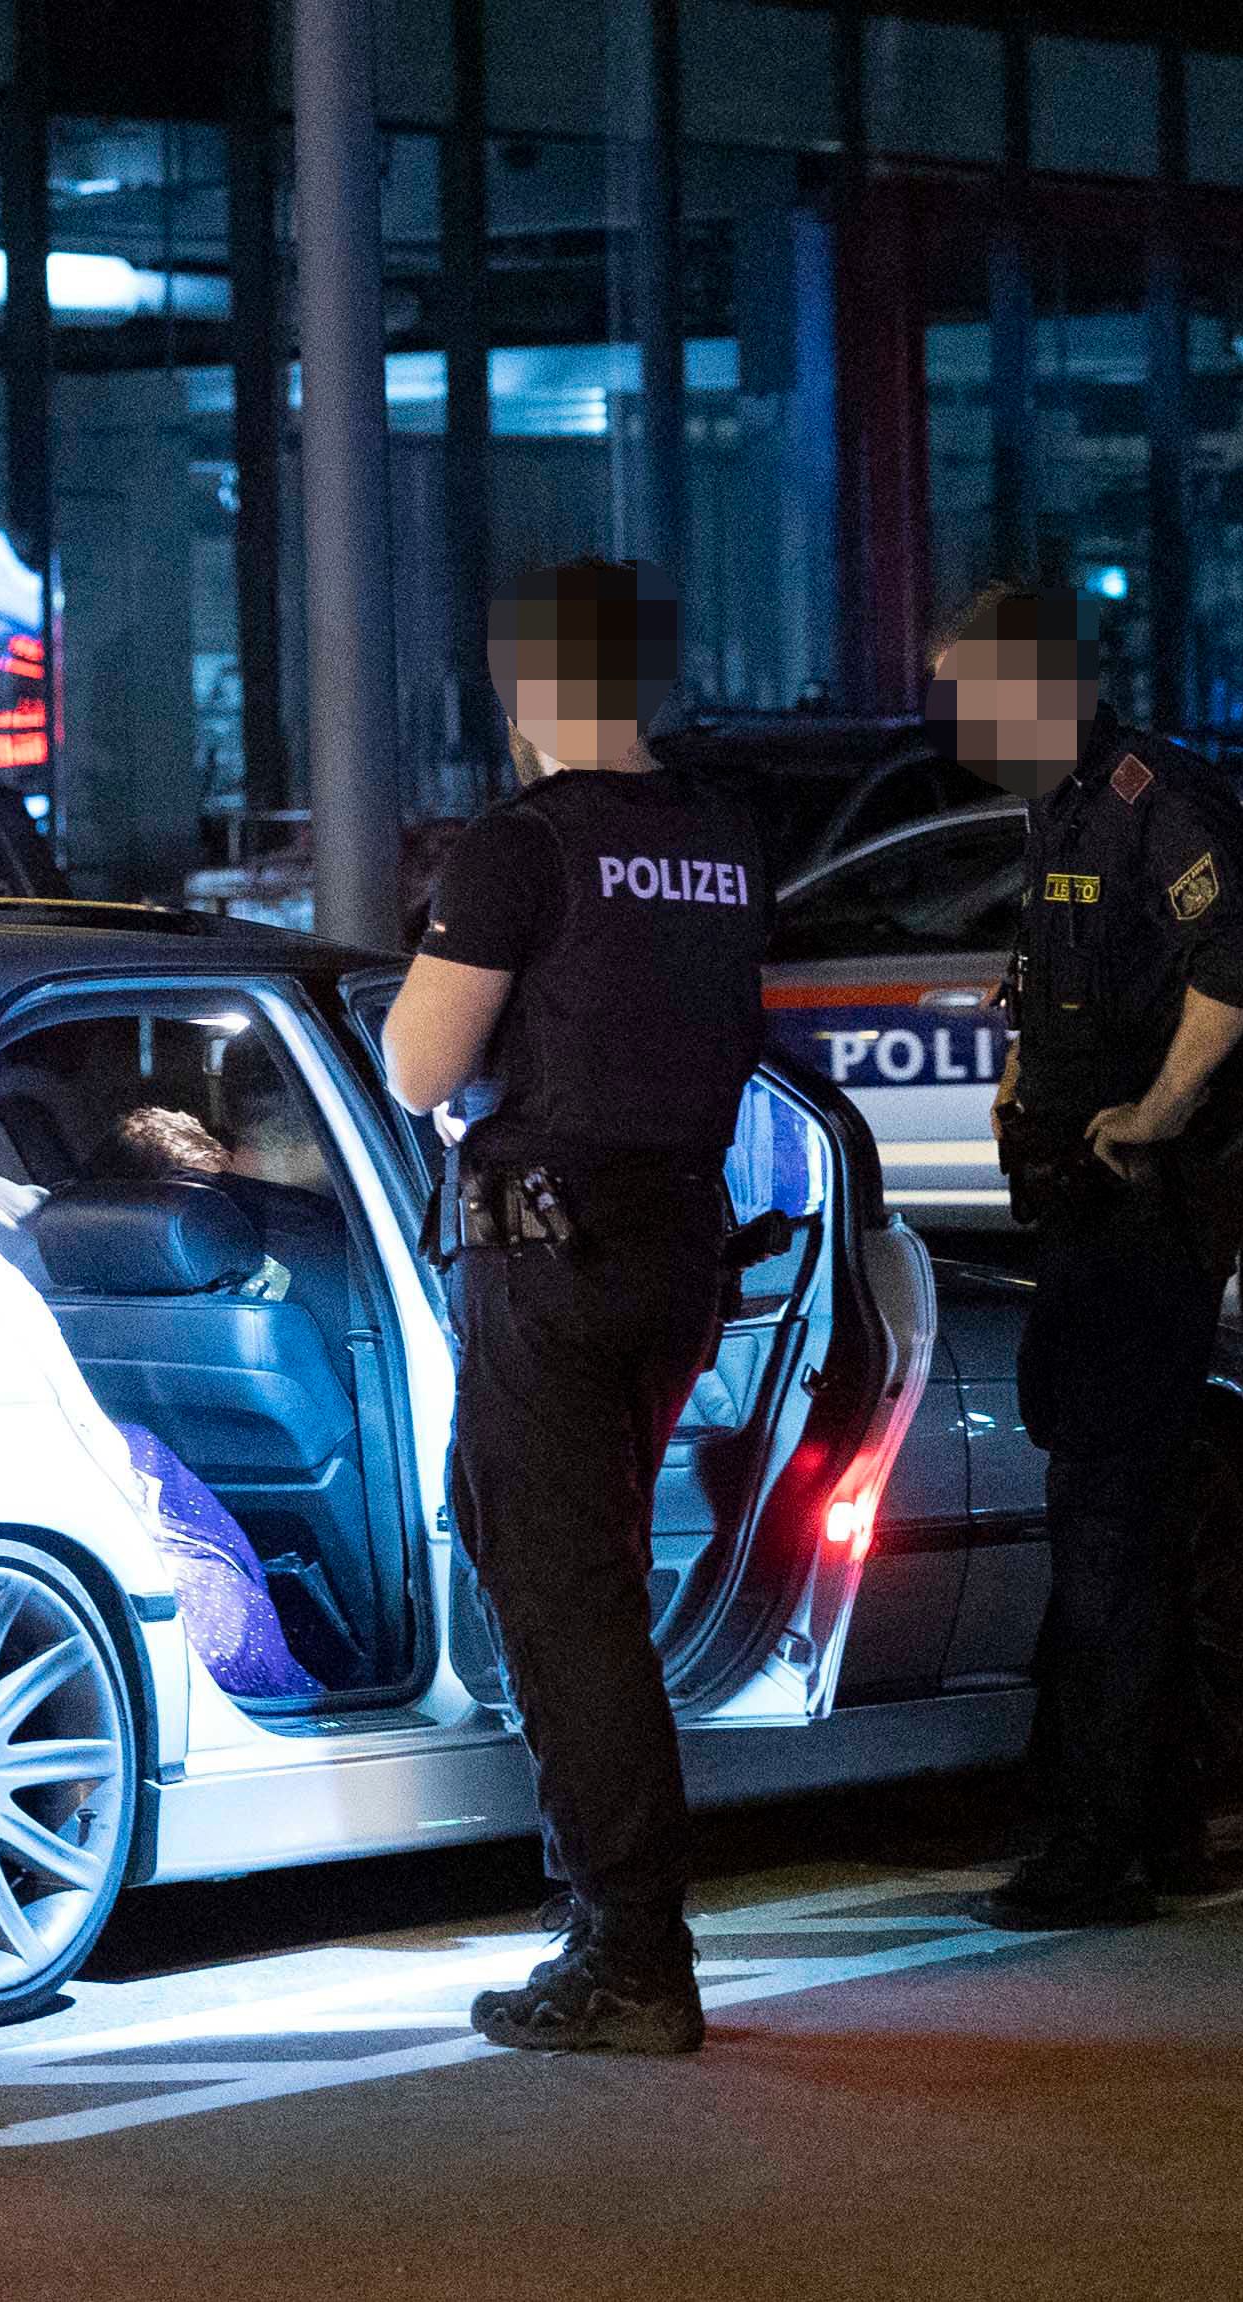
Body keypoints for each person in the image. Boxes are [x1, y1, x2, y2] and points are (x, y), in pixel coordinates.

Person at [376, 557, 771, 2056]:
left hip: (546, 1258)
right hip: (678, 1243)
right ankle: (618, 1924)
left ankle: (627, 1949)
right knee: (598, 1583)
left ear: (527, 685)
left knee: (564, 1600)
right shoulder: (723, 840)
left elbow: (418, 1068)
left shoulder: (518, 847)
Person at [943, 582, 1243, 1929]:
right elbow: (1063, 972)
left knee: (1105, 1522)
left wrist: (1149, 1113)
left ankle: (1093, 1845)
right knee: (1112, 1514)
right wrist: (1023, 1070)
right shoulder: (1058, 808)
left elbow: (1233, 956)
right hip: (1084, 1206)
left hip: (1141, 1203)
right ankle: (1151, 1820)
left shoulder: (1155, 797)